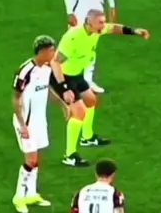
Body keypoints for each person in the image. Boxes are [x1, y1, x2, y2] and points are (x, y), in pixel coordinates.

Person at [53, 11, 150, 167]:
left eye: (103, 22)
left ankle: (87, 137)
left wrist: (134, 31)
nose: (103, 26)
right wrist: (64, 88)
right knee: (79, 113)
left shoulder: (96, 30)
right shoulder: (73, 38)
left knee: (91, 101)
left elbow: (114, 28)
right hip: (62, 77)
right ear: (89, 23)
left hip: (76, 74)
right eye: (100, 23)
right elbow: (55, 62)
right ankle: (69, 155)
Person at [12, 36, 88, 212]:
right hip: (26, 122)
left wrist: (62, 105)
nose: (54, 53)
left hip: (39, 121)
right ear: (42, 51)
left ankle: (31, 194)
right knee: (30, 160)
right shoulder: (25, 71)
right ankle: (19, 197)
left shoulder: (46, 69)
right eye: (52, 50)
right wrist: (22, 125)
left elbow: (47, 89)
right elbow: (15, 99)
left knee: (37, 159)